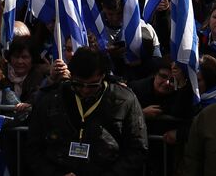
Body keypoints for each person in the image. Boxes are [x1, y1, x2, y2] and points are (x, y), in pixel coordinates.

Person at [25, 47, 148, 176]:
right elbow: (33, 148)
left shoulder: (125, 100)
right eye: (78, 84)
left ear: (103, 76)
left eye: (92, 85)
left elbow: (137, 148)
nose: (85, 90)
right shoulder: (51, 99)